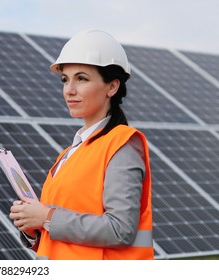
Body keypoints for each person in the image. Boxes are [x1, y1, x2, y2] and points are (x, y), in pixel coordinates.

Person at [9, 29, 153, 260]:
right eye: (65, 79)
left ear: (112, 87)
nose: (70, 89)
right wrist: (32, 227)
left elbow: (120, 230)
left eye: (82, 78)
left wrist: (46, 217)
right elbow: (62, 237)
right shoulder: (69, 154)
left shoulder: (122, 144)